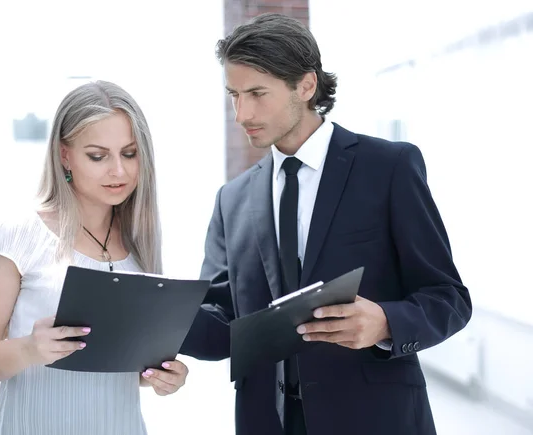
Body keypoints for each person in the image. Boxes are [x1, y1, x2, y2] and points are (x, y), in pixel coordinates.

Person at [180, 13, 472, 435]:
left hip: (374, 418)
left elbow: (449, 298)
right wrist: (153, 318)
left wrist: (386, 323)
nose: (241, 114)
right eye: (234, 95)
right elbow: (223, 325)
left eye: (257, 94)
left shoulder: (389, 168)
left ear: (306, 85)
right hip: (268, 421)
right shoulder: (232, 199)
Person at [0, 80, 189, 435]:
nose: (118, 170)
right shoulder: (16, 234)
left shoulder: (141, 241)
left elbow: (123, 368)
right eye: (98, 156)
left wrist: (161, 376)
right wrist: (28, 350)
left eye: (129, 153)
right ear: (64, 154)